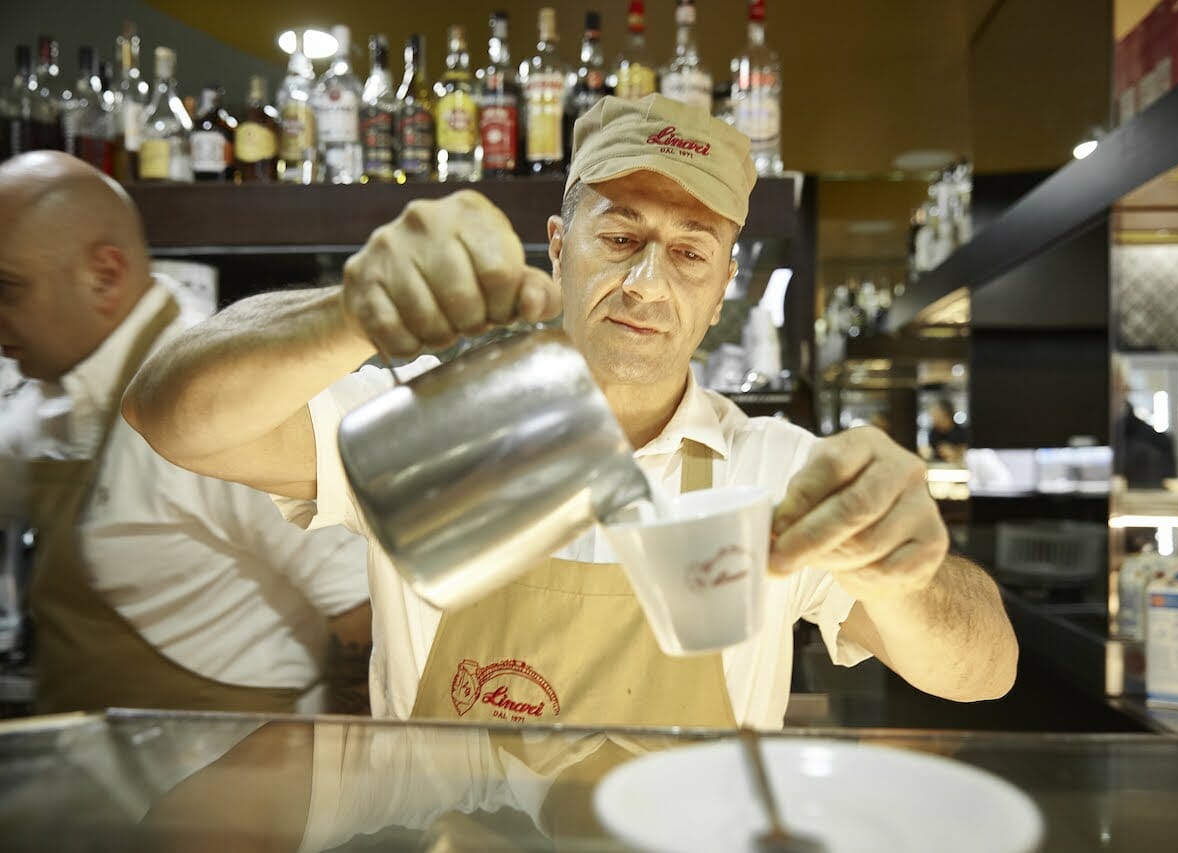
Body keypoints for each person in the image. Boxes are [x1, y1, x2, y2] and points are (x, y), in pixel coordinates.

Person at [124, 95, 1018, 728]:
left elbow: (985, 672)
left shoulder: (776, 472)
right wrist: (349, 310)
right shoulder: (440, 426)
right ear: (560, 247)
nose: (645, 283)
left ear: (721, 292)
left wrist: (901, 570)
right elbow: (172, 414)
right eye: (620, 236)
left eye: (689, 254)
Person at [0, 151, 372, 715]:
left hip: (231, 778)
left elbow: (360, 610)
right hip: (98, 779)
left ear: (105, 275)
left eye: (8, 287)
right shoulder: (58, 389)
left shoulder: (217, 405)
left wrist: (350, 789)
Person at [927, 398, 968, 464]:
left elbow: (966, 452)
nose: (932, 417)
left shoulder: (961, 432)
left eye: (934, 413)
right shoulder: (933, 433)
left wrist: (955, 453)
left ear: (944, 413)